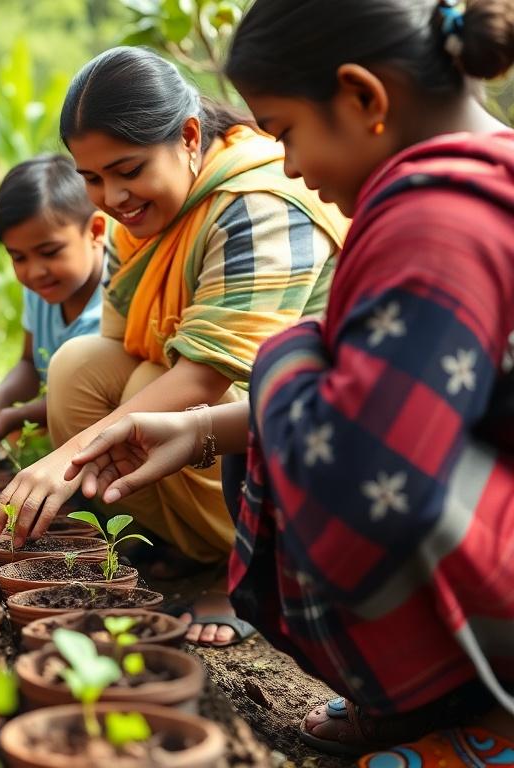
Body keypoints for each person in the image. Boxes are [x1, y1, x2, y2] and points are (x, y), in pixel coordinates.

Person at [67, 0, 514, 762]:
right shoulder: (459, 183)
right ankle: (428, 693)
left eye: (284, 133)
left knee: (289, 369)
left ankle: (488, 715)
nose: (293, 166)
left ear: (363, 98)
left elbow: (371, 465)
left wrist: (284, 364)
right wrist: (200, 430)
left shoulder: (435, 225)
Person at [0, 45, 348, 646]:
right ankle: (189, 552)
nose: (113, 196)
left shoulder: (255, 203)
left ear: (188, 137)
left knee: (146, 393)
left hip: (308, 434)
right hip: (225, 411)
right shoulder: (150, 218)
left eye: (129, 171)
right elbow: (115, 341)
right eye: (94, 179)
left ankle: (247, 569)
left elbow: (206, 378)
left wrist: (64, 458)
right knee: (78, 368)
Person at [0, 154, 105, 452]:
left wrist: (15, 417)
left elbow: (96, 396)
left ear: (95, 231)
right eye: (18, 257)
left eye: (50, 251)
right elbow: (30, 364)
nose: (34, 271)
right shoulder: (44, 289)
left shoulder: (115, 297)